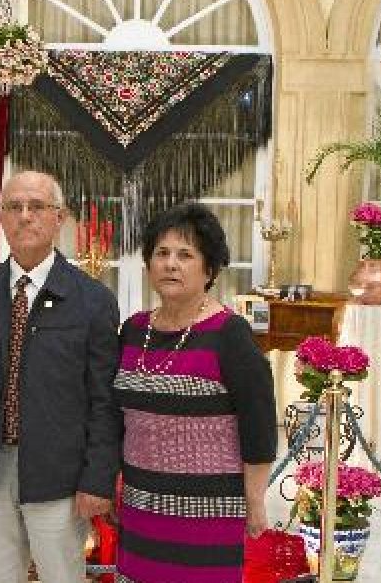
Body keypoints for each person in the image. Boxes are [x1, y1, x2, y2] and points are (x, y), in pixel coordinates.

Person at [0, 170, 121, 583]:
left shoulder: (92, 301)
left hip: (60, 476)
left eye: (37, 206)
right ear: (1, 217)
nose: (25, 216)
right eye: (14, 207)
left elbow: (105, 402)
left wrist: (98, 478)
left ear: (60, 218)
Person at [113, 202, 277, 583]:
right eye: (161, 253)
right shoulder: (133, 330)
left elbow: (260, 426)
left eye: (185, 255)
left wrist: (255, 500)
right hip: (140, 510)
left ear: (210, 269)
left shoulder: (229, 334)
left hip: (209, 518)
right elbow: (116, 417)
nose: (171, 264)